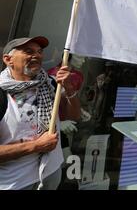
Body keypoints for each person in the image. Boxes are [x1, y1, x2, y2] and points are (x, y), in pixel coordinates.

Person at [0, 36, 81, 190]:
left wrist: (70, 89)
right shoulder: (2, 93)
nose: (36, 55)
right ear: (8, 59)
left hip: (50, 176)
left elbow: (74, 115)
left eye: (39, 51)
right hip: (15, 183)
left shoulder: (50, 83)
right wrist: (36, 146)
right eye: (29, 52)